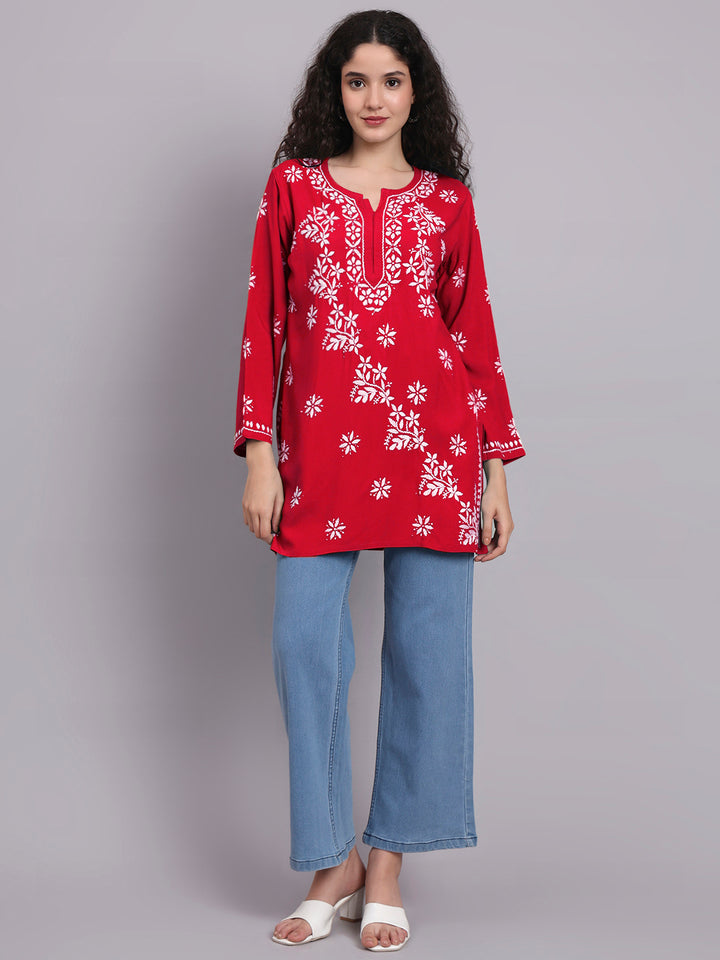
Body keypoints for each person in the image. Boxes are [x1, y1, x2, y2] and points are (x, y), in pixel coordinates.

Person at [233, 9, 527, 951]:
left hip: (435, 455)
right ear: (336, 90)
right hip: (319, 456)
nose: (373, 98)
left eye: (391, 81)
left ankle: (389, 862)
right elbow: (265, 325)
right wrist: (260, 453)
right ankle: (334, 860)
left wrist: (494, 472)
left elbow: (474, 340)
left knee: (428, 661)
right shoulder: (294, 188)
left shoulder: (446, 203)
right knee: (304, 648)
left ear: (414, 93)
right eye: (356, 80)